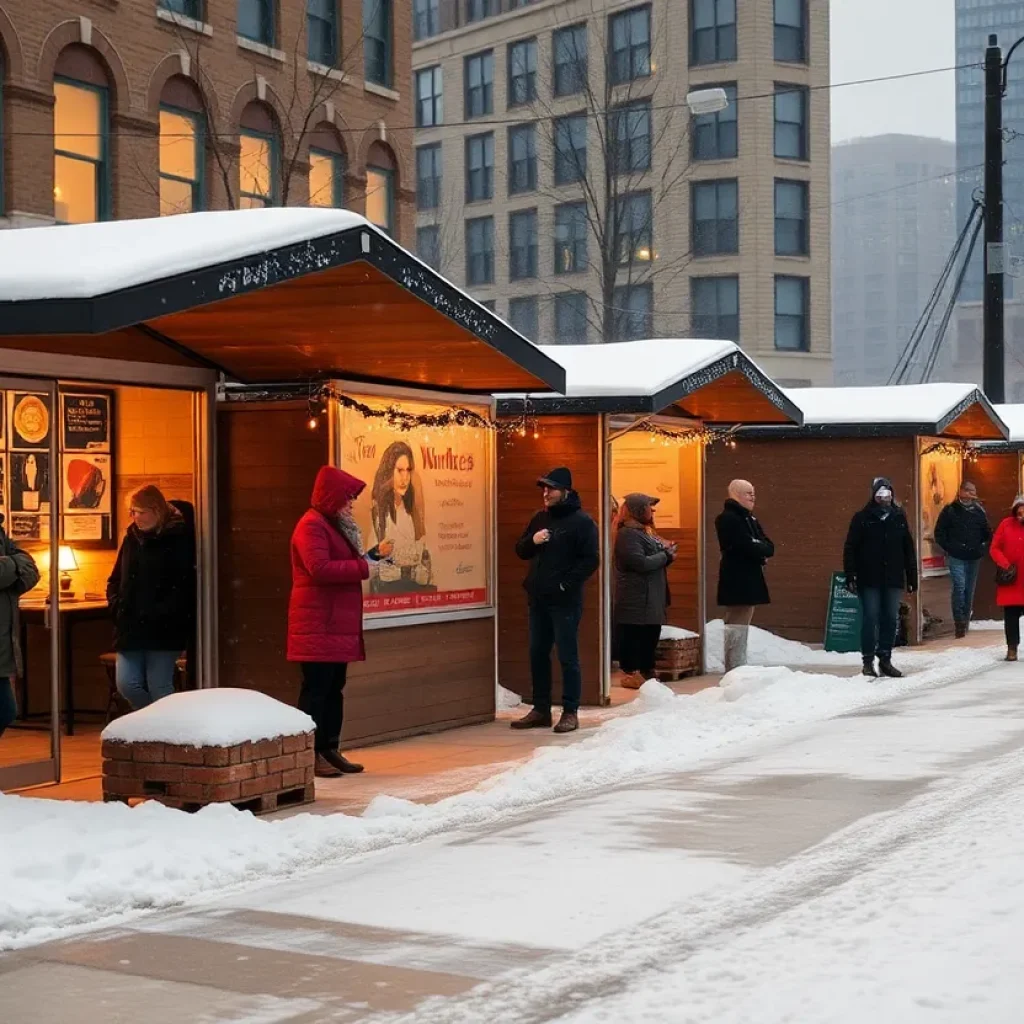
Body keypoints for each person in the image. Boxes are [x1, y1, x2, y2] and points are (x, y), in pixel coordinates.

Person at [288, 465, 392, 777]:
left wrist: (370, 557)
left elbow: (339, 563)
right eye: (347, 498)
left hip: (333, 624)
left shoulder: (330, 525)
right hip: (318, 624)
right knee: (317, 690)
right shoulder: (312, 526)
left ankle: (329, 746)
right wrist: (365, 564)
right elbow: (319, 568)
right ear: (332, 498)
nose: (351, 504)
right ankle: (310, 752)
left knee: (334, 688)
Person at [512, 467, 599, 734]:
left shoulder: (582, 522)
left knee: (567, 655)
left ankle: (570, 711)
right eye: (544, 489)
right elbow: (520, 550)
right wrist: (533, 541)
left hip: (565, 601)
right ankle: (540, 709)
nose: (546, 493)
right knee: (538, 653)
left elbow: (590, 560)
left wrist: (565, 585)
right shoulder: (540, 519)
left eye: (551, 489)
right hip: (538, 598)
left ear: (566, 492)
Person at [107, 486, 195, 710]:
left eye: (138, 511)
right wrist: (117, 604)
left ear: (155, 510)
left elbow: (182, 584)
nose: (134, 517)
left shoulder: (178, 539)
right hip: (130, 625)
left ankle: (166, 731)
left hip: (163, 627)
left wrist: (163, 612)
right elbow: (116, 577)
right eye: (132, 511)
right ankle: (157, 724)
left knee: (159, 686)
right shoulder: (132, 539)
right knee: (127, 684)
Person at [843, 477, 918, 678]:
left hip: (893, 576)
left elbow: (908, 548)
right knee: (870, 617)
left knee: (890, 619)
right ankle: (868, 661)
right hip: (869, 577)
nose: (885, 498)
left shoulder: (898, 517)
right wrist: (851, 574)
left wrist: (912, 576)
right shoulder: (862, 518)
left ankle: (885, 658)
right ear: (874, 495)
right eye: (880, 494)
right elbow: (850, 548)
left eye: (888, 494)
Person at [614, 494, 676, 689]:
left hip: (650, 596)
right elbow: (639, 562)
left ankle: (647, 675)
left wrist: (668, 554)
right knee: (639, 637)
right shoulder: (627, 534)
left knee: (650, 635)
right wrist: (665, 555)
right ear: (638, 510)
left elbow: (653, 557)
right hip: (638, 598)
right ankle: (638, 675)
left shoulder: (644, 532)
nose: (653, 511)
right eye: (650, 507)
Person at [715, 480, 774, 672]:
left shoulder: (749, 519)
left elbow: (767, 545)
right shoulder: (729, 519)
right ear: (736, 494)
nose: (752, 497)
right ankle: (734, 666)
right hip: (737, 578)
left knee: (743, 618)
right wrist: (758, 549)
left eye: (753, 492)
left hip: (748, 576)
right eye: (748, 493)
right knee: (736, 622)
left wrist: (759, 548)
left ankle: (738, 664)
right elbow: (744, 545)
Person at [370, 441, 431, 594]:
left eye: (408, 470)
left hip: (414, 594)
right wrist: (377, 553)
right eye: (399, 470)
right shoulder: (378, 513)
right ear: (389, 472)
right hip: (387, 597)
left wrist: (422, 569)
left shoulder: (412, 512)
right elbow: (366, 564)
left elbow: (423, 557)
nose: (405, 478)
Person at [934, 480, 991, 638]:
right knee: (959, 586)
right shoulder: (950, 510)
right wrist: (950, 547)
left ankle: (965, 620)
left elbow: (987, 532)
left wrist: (981, 548)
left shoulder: (978, 511)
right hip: (956, 555)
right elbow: (939, 532)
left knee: (969, 590)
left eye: (972, 491)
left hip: (974, 556)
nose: (969, 494)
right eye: (967, 491)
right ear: (960, 491)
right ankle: (958, 621)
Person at [0, 515, 39, 739]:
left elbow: (31, 569)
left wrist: (12, 566)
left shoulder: (2, 533)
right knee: (5, 710)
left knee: (6, 710)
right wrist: (15, 564)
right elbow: (21, 563)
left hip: (3, 644)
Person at [990, 495, 1024, 662]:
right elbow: (995, 548)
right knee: (1011, 616)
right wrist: (1005, 564)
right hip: (1012, 578)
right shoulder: (1006, 524)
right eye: (1019, 512)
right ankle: (1012, 648)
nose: (1021, 516)